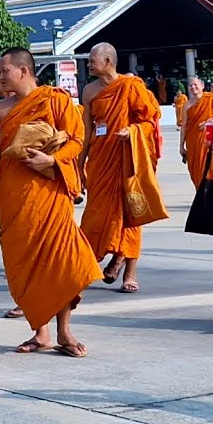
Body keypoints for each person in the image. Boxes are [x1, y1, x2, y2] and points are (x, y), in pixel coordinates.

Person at [0, 49, 102, 357]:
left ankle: (64, 330)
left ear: (23, 71)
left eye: (4, 71)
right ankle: (40, 332)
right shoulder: (0, 110)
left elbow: (76, 141)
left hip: (50, 194)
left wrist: (52, 160)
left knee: (63, 264)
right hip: (15, 197)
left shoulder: (56, 100)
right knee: (26, 265)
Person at [77, 43, 161, 294]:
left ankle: (130, 273)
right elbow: (87, 130)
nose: (89, 64)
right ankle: (87, 266)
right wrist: (79, 164)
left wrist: (133, 131)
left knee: (131, 214)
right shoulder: (89, 90)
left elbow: (150, 120)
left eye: (93, 60)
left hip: (129, 158)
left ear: (108, 62)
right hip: (101, 160)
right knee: (95, 215)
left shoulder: (130, 86)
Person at [180, 76, 213, 189]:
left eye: (195, 84)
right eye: (190, 85)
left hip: (210, 142)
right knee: (196, 172)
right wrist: (181, 146)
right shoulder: (186, 105)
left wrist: (209, 122)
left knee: (212, 169)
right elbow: (184, 126)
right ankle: (201, 197)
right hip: (193, 144)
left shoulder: (212, 99)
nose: (193, 87)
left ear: (202, 86)